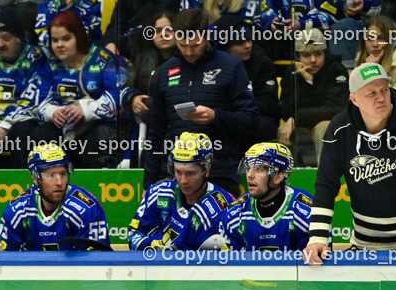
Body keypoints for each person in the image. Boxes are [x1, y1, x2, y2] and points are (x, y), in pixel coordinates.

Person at [304, 63, 396, 265]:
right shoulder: (339, 131)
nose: (381, 97)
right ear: (354, 99)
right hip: (366, 247)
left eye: (385, 89)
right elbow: (325, 186)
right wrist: (317, 239)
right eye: (371, 92)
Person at [143, 8, 257, 197]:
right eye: (182, 45)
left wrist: (216, 116)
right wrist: (149, 182)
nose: (188, 51)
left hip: (219, 172)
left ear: (206, 36)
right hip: (174, 174)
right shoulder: (164, 72)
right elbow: (156, 132)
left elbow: (251, 119)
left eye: (195, 45)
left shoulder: (231, 67)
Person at [17, 11, 128, 168]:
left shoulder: (103, 59)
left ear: (79, 37)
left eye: (66, 38)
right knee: (41, 134)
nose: (59, 45)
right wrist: (53, 112)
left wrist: (85, 110)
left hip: (100, 124)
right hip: (65, 126)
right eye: (55, 40)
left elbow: (119, 98)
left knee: (100, 138)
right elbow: (37, 101)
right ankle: (48, 183)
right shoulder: (50, 65)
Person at [128, 131, 231, 251]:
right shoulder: (158, 192)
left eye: (190, 173)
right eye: (178, 172)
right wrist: (153, 244)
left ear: (206, 170)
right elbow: (134, 237)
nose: (183, 180)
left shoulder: (222, 206)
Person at [2, 142, 110, 251]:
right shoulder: (17, 211)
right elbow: (10, 261)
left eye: (63, 174)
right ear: (35, 177)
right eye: (51, 175)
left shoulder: (85, 209)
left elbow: (95, 262)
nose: (59, 182)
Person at [0, 6, 49, 164]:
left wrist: (4, 127)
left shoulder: (36, 58)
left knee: (22, 132)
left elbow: (33, 100)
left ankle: (22, 184)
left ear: (20, 38)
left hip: (20, 121)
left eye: (6, 38)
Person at [221, 142, 312, 250]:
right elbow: (228, 264)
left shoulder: (305, 212)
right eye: (248, 168)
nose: (249, 175)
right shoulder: (234, 215)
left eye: (259, 169)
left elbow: (316, 263)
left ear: (278, 177)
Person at [277, 28, 348, 166]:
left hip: (326, 124)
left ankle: (326, 178)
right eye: (306, 55)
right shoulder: (291, 74)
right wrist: (304, 81)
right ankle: (288, 180)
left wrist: (296, 118)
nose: (313, 60)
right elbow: (285, 110)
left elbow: (335, 109)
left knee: (325, 127)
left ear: (325, 53)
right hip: (302, 126)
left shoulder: (337, 70)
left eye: (318, 54)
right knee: (283, 131)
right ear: (297, 56)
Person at [212, 15, 279, 150]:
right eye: (240, 42)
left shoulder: (262, 63)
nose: (248, 45)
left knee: (263, 125)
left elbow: (269, 104)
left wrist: (239, 115)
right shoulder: (212, 65)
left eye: (249, 40)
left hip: (251, 119)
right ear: (225, 45)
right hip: (222, 118)